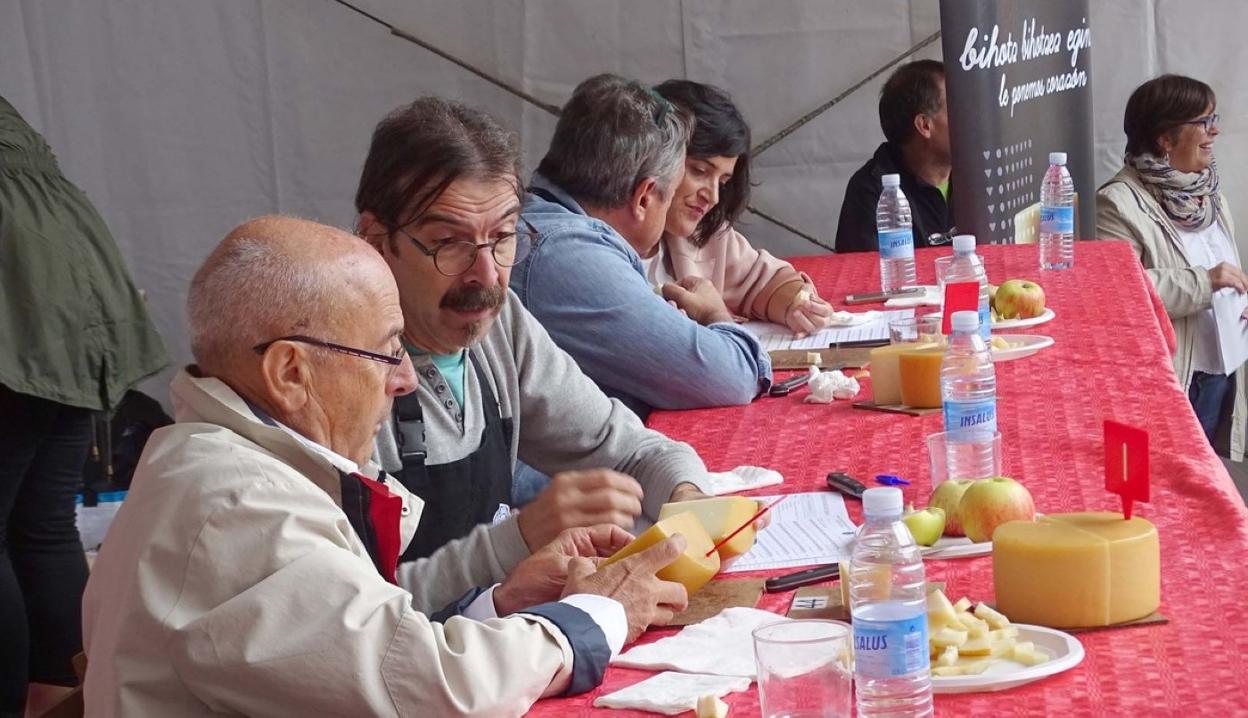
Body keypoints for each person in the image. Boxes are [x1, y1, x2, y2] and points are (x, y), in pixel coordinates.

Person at [81, 216, 690, 716]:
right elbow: (430, 693)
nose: (403, 379)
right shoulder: (240, 507)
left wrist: (498, 604)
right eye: (385, 350)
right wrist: (597, 613)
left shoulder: (232, 466)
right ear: (290, 374)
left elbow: (353, 650)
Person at [355, 97, 717, 561]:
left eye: (504, 237)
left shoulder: (500, 326)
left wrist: (689, 498)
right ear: (376, 240)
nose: (486, 276)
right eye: (448, 244)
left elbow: (631, 451)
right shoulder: (344, 369)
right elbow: (357, 612)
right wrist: (515, 541)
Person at [0, 95, 169, 717]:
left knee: (27, 525)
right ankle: (68, 699)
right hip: (72, 275)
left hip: (18, 282)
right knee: (41, 524)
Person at [513, 74, 772, 419]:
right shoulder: (568, 256)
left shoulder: (543, 225)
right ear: (644, 197)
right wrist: (714, 315)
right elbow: (732, 376)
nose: (711, 196)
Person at [1096, 74, 1247, 458]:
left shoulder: (1208, 193)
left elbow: (1229, 273)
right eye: (1203, 122)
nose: (1215, 131)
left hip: (1225, 371)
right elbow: (1119, 293)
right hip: (1178, 381)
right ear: (1165, 139)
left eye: (1214, 119)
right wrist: (1206, 282)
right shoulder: (1116, 203)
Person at [650, 79, 833, 336]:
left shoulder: (704, 231)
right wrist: (715, 317)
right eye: (699, 171)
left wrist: (798, 304)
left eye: (723, 182)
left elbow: (764, 280)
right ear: (654, 157)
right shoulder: (604, 245)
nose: (712, 196)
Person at [835, 59, 955, 252]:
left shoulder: (980, 175)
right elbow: (864, 277)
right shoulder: (871, 191)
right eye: (957, 107)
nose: (971, 116)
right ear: (924, 125)